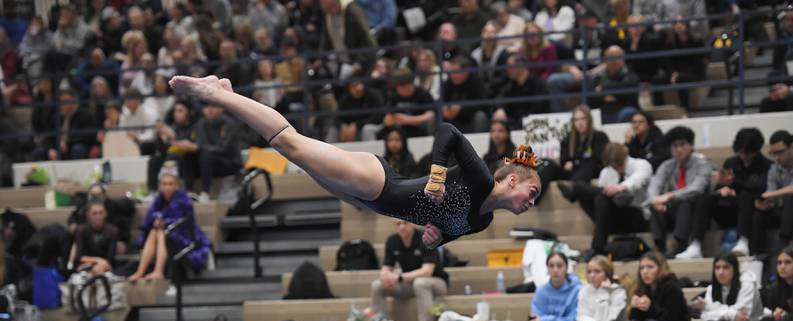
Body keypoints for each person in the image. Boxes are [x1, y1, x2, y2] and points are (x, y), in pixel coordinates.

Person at [169, 75, 542, 248]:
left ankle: (230, 96)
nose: (532, 200)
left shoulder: (482, 220)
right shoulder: (479, 179)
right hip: (377, 181)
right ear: (512, 180)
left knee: (290, 149)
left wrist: (435, 238)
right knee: (290, 144)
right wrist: (438, 174)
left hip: (368, 202)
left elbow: (441, 232)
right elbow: (448, 131)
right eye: (532, 190)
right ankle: (216, 94)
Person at [559, 142, 652, 258]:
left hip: (638, 216)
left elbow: (639, 179)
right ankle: (597, 247)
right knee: (600, 198)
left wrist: (620, 187)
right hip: (614, 218)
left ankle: (575, 188)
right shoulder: (607, 172)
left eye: (620, 165)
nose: (617, 169)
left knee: (601, 195)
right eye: (614, 166)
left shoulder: (641, 165)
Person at [128, 163, 211, 281]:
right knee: (155, 230)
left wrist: (164, 222)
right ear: (160, 187)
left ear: (177, 185)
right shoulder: (158, 199)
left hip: (184, 235)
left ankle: (158, 271)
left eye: (171, 184)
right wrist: (156, 220)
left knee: (162, 231)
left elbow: (184, 220)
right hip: (165, 233)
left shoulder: (184, 200)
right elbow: (149, 218)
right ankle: (140, 271)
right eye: (164, 184)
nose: (167, 187)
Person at [698, 128, 772, 257]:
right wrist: (722, 188)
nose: (744, 157)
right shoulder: (731, 162)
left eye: (748, 153)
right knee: (704, 198)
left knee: (745, 196)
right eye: (741, 153)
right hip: (728, 208)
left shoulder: (767, 166)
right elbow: (720, 186)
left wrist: (734, 183)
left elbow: (760, 189)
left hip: (751, 209)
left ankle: (744, 241)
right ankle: (695, 244)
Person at [647, 126, 712, 258]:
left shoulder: (702, 164)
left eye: (682, 145)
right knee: (655, 207)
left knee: (684, 202)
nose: (678, 150)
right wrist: (655, 200)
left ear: (691, 146)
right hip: (672, 211)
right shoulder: (667, 165)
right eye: (675, 146)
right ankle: (660, 247)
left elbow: (697, 188)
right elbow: (654, 184)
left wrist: (670, 195)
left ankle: (679, 244)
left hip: (696, 213)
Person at [370, 220, 448, 321]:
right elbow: (386, 268)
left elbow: (427, 272)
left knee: (420, 283)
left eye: (405, 223)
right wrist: (385, 277)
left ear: (413, 223)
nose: (402, 227)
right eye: (398, 224)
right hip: (409, 284)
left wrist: (399, 277)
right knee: (377, 285)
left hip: (436, 282)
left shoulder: (425, 238)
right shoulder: (392, 241)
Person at [751, 130, 793, 256]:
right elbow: (770, 192)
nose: (777, 157)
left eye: (780, 152)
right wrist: (765, 203)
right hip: (787, 212)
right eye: (773, 153)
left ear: (792, 147)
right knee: (759, 215)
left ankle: (783, 243)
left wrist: (770, 195)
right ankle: (758, 256)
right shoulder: (774, 168)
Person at [553, 105, 609, 185]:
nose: (580, 123)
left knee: (590, 164)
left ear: (589, 120)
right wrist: (571, 163)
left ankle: (572, 187)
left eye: (583, 118)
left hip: (591, 171)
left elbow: (598, 160)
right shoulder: (567, 139)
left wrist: (575, 164)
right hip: (572, 173)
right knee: (548, 164)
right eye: (576, 120)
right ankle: (533, 193)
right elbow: (564, 161)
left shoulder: (600, 136)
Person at [497, 53, 550, 129]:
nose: (507, 70)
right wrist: (500, 109)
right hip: (515, 126)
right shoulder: (511, 86)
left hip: (536, 126)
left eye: (510, 66)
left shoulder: (538, 85)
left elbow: (537, 111)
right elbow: (501, 99)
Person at [590, 45, 640, 124]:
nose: (614, 60)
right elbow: (591, 96)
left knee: (628, 112)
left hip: (622, 109)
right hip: (603, 111)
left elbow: (628, 93)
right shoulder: (598, 77)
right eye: (611, 57)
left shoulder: (630, 75)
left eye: (617, 56)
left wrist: (603, 88)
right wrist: (613, 94)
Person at [441, 56, 490, 134]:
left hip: (471, 119)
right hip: (454, 120)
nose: (453, 75)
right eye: (451, 72)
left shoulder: (476, 82)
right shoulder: (448, 83)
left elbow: (483, 105)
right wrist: (445, 109)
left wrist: (461, 109)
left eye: (456, 72)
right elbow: (442, 101)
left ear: (466, 72)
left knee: (480, 116)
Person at [383, 67, 436, 140]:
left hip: (421, 130)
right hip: (400, 133)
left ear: (410, 84)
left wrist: (407, 120)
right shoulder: (394, 97)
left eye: (401, 87)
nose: (398, 90)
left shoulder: (423, 94)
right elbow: (388, 120)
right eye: (397, 87)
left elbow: (430, 115)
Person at [69, 201, 118, 276]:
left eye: (101, 213)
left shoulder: (112, 231)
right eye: (94, 213)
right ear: (88, 215)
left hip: (105, 266)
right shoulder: (81, 230)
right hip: (85, 265)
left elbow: (110, 257)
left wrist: (100, 265)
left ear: (105, 214)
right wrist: (97, 260)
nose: (98, 216)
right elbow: (78, 257)